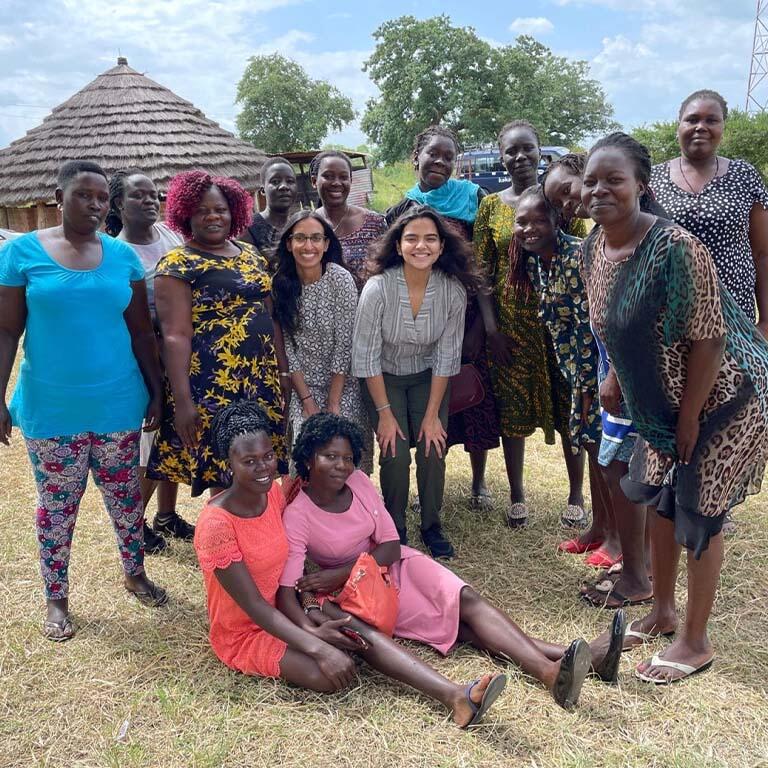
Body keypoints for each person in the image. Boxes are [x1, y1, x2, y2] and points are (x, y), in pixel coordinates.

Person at [277, 413, 626, 709]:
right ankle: (565, 664)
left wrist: (341, 569)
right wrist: (310, 627)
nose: (341, 466)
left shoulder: (360, 484)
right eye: (329, 456)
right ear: (308, 457)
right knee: (460, 627)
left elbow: (391, 546)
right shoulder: (298, 515)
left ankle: (553, 671)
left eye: (348, 457)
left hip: (394, 567)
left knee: (465, 600)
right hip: (356, 592)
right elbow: (286, 590)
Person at [580, 132, 768, 682]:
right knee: (661, 503)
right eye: (591, 180)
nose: (599, 190)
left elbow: (709, 340)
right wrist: (615, 373)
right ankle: (662, 611)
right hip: (659, 404)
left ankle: (695, 640)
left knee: (699, 513)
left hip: (724, 400)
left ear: (641, 185)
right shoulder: (595, 245)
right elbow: (611, 319)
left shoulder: (675, 247)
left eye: (614, 179)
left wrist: (689, 420)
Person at [195, 400, 507, 728]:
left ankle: (456, 696)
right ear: (228, 463)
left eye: (268, 457)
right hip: (246, 631)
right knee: (334, 670)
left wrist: (311, 616)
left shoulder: (274, 493)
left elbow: (320, 476)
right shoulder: (216, 526)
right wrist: (315, 642)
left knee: (350, 631)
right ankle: (455, 685)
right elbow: (257, 608)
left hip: (288, 607)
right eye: (249, 461)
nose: (263, 469)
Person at [0, 160, 168, 642]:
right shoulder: (23, 254)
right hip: (51, 409)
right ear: (60, 197)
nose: (95, 205)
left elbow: (141, 332)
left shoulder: (122, 259)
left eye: (101, 198)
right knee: (57, 507)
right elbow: (7, 329)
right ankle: (56, 596)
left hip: (118, 404)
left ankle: (134, 572)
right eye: (84, 196)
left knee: (124, 499)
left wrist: (156, 390)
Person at [650, 90, 768, 535]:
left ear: (723, 127)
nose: (701, 127)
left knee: (726, 410)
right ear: (677, 124)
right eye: (692, 119)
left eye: (711, 120)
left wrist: (766, 319)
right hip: (671, 320)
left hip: (732, 320)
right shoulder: (655, 180)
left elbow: (763, 252)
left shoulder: (744, 177)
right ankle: (671, 497)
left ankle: (714, 500)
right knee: (677, 411)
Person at [544, 157, 655, 606]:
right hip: (608, 370)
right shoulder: (596, 243)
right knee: (613, 464)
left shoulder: (652, 242)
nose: (575, 200)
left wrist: (615, 376)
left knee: (632, 471)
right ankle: (633, 567)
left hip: (639, 381)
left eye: (574, 188)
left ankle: (638, 574)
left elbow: (649, 324)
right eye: (562, 199)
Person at [474, 121, 592, 529]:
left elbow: (582, 256)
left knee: (570, 408)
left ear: (540, 151)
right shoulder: (490, 206)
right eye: (511, 150)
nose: (520, 157)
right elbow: (483, 274)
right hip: (511, 329)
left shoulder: (559, 201)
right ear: (501, 155)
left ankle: (577, 496)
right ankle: (517, 495)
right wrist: (492, 332)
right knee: (514, 411)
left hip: (561, 327)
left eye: (528, 149)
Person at [146, 170, 288, 498]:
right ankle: (224, 541)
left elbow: (270, 314)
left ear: (234, 211)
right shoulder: (177, 263)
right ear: (185, 215)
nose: (213, 216)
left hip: (258, 379)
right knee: (222, 465)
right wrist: (182, 401)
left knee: (258, 458)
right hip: (210, 383)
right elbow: (175, 335)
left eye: (220, 209)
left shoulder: (249, 254)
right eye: (202, 210)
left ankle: (259, 533)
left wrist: (281, 370)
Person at [351, 206, 479, 559]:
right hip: (383, 377)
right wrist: (385, 414)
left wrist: (432, 413)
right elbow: (366, 356)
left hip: (428, 377)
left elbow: (447, 354)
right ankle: (395, 528)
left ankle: (431, 524)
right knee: (393, 452)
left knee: (432, 447)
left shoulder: (452, 290)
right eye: (412, 239)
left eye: (430, 239)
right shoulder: (377, 288)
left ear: (441, 247)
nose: (420, 246)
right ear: (398, 245)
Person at [105, 168, 193, 552]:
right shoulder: (116, 253)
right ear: (118, 205)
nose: (148, 201)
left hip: (180, 353)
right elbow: (125, 315)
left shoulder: (171, 237)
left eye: (153, 195)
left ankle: (167, 516)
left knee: (172, 439)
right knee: (149, 445)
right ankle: (133, 527)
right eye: (137, 196)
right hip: (144, 359)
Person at [271, 210, 372, 472]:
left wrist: (334, 403)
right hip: (302, 386)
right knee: (305, 455)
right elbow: (287, 348)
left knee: (343, 450)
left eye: (316, 238)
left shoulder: (340, 279)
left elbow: (345, 344)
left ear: (327, 244)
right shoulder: (279, 284)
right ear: (289, 243)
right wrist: (306, 401)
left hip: (343, 385)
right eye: (301, 238)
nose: (308, 246)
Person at [311, 151, 387, 293]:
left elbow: (390, 270)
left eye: (344, 177)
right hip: (320, 312)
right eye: (328, 176)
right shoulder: (305, 227)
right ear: (314, 181)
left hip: (368, 310)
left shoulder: (375, 223)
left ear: (351, 181)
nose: (336, 182)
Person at [240, 156, 298, 265]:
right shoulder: (249, 228)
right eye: (275, 181)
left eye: (290, 181)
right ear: (262, 190)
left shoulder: (299, 225)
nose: (284, 186)